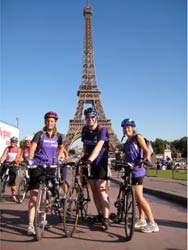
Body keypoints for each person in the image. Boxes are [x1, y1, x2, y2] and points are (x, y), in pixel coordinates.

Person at [26, 111, 67, 236]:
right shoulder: (40, 134)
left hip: (51, 167)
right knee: (34, 195)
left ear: (55, 123)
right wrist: (31, 161)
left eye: (52, 121)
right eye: (48, 120)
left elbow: (62, 147)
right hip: (38, 166)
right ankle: (30, 225)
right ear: (45, 122)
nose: (50, 123)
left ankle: (43, 218)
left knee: (46, 197)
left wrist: (58, 158)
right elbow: (32, 147)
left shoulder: (59, 136)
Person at [121, 118, 159, 233]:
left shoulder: (138, 137)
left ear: (133, 128)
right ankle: (142, 219)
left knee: (139, 197)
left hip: (138, 170)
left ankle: (152, 223)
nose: (126, 129)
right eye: (124, 127)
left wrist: (145, 159)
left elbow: (147, 151)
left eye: (129, 127)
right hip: (131, 170)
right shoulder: (127, 142)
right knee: (137, 197)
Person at [81, 107, 110, 231]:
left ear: (96, 117)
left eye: (92, 117)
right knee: (93, 189)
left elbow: (98, 147)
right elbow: (85, 145)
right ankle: (100, 214)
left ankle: (106, 218)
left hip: (101, 163)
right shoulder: (84, 130)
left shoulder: (102, 130)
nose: (90, 119)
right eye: (87, 117)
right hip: (90, 164)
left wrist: (90, 160)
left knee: (101, 189)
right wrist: (83, 158)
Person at [0, 136, 21, 202]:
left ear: (16, 143)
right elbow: (4, 155)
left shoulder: (19, 149)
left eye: (14, 142)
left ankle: (14, 195)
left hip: (13, 165)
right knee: (1, 174)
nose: (12, 143)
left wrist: (15, 162)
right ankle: (2, 185)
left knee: (12, 181)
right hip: (6, 163)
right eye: (11, 141)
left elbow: (18, 157)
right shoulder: (7, 148)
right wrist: (1, 161)